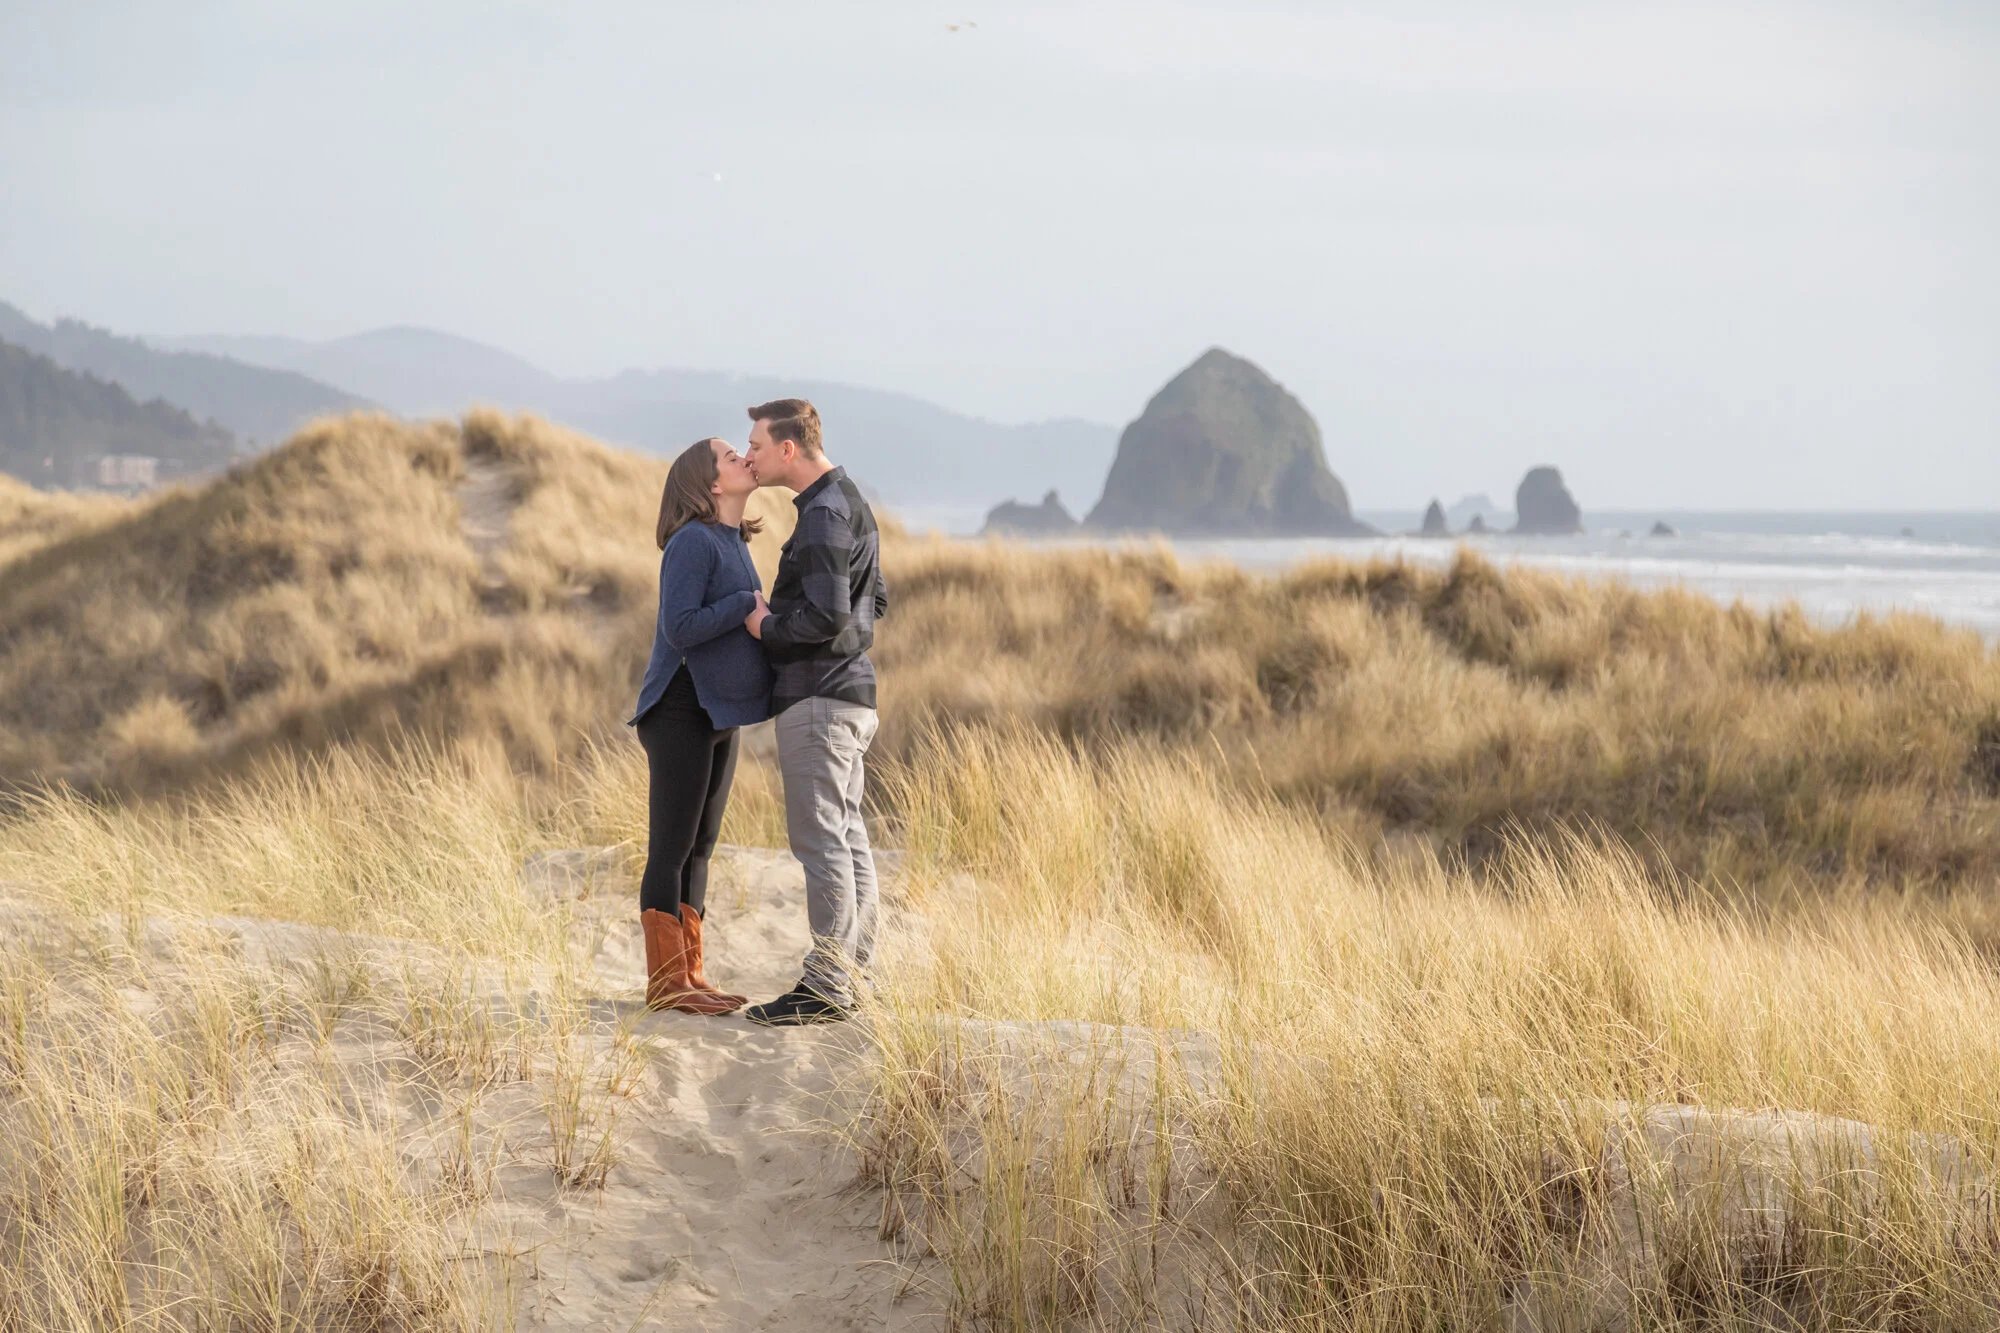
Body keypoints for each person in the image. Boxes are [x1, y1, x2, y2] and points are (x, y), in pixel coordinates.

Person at [739, 398, 888, 1026]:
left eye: (756, 446)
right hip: (848, 696)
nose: (749, 456)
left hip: (820, 700)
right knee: (846, 838)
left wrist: (766, 626)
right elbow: (874, 602)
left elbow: (829, 614)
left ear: (788, 448)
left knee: (823, 841)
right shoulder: (849, 500)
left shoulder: (824, 513)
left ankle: (827, 985)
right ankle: (856, 976)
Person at [628, 437, 773, 1016]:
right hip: (679, 711)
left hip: (717, 714)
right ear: (711, 483)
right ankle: (665, 984)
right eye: (730, 456)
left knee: (701, 848)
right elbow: (680, 625)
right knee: (671, 849)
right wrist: (744, 605)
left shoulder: (733, 540)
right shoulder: (692, 541)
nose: (744, 458)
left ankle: (689, 974)